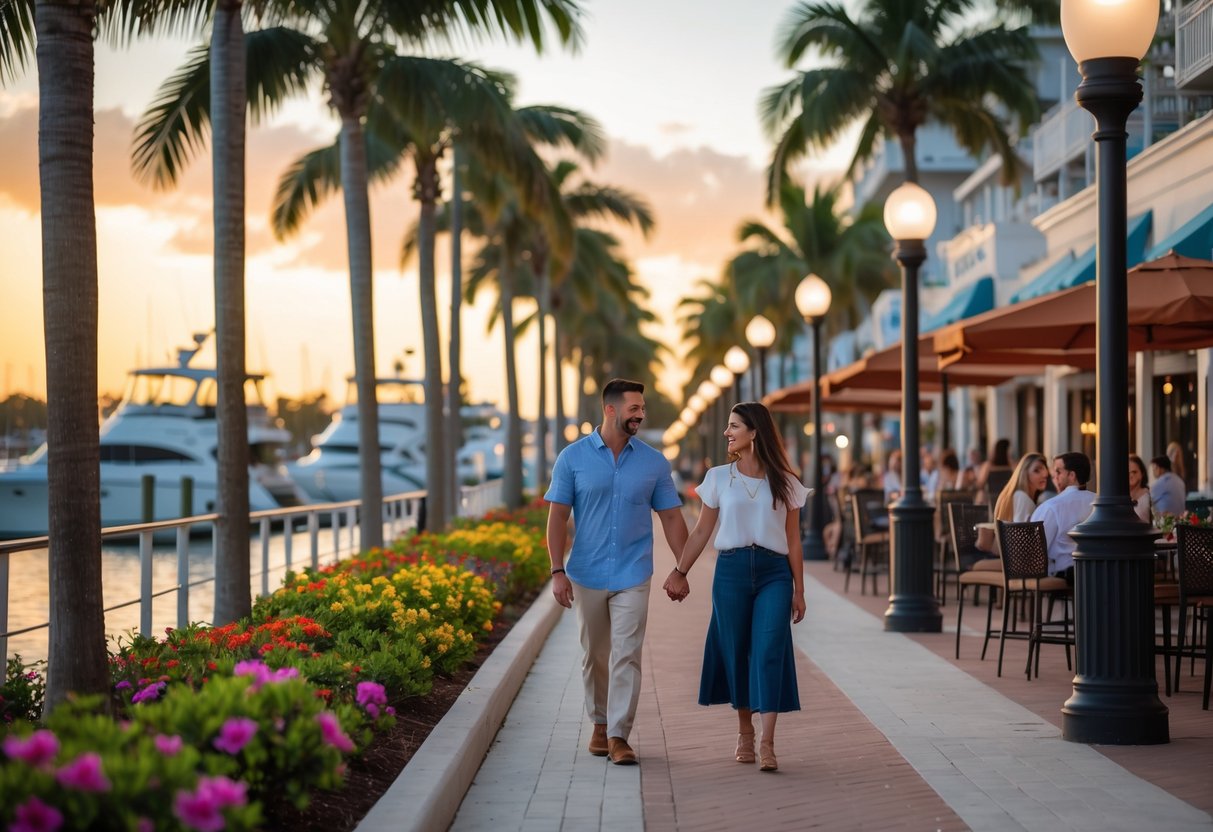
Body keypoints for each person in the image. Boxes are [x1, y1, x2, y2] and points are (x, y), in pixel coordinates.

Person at [545, 378, 689, 766]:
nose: (640, 414)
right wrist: (557, 570)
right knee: (595, 654)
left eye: (642, 408)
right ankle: (599, 723)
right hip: (586, 572)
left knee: (627, 653)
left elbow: (672, 518)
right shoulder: (572, 459)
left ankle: (618, 735)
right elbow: (557, 517)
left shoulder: (654, 463)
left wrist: (682, 567)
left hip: (633, 573)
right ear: (610, 410)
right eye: (634, 408)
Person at [663, 402, 808, 773]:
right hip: (731, 571)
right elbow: (700, 532)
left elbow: (793, 540)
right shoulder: (717, 478)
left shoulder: (787, 482)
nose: (727, 433)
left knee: (770, 647)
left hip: (775, 574)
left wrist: (799, 590)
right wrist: (680, 571)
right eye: (727, 426)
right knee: (737, 649)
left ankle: (768, 741)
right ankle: (745, 731)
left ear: (754, 431)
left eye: (734, 426)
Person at [1030, 452, 1096, 585]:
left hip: (1065, 574)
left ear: (1072, 476)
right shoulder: (1101, 502)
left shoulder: (1052, 506)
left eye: (1058, 472)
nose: (1053, 477)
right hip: (1098, 571)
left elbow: (1035, 549)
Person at [994, 452, 1050, 523]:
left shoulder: (1017, 495)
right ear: (1024, 473)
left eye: (1045, 469)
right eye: (1037, 470)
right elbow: (1020, 532)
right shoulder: (1021, 497)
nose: (1044, 475)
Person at [976, 438, 1013, 503]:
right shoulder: (988, 465)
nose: (1011, 452)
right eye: (1009, 450)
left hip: (1002, 499)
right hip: (998, 500)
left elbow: (980, 484)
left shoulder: (988, 465)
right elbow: (980, 484)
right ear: (1004, 450)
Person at [1128, 454, 1153, 524]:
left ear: (1142, 473)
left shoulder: (1150, 495)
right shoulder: (1119, 496)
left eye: (1134, 472)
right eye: (1127, 472)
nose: (1131, 475)